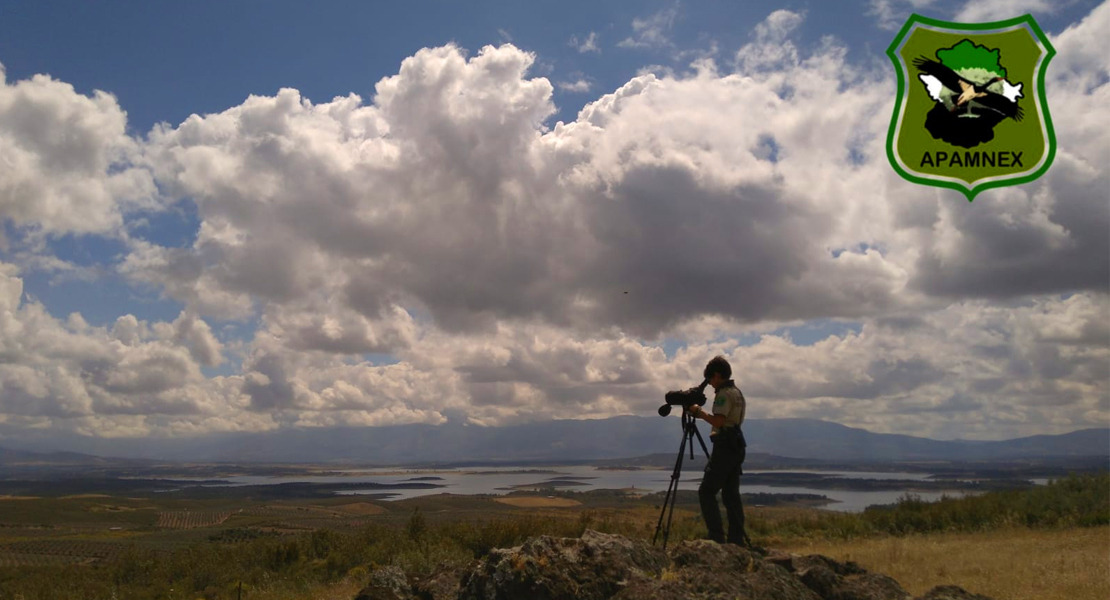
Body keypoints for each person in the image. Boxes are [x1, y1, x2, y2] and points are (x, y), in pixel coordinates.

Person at [685, 355, 750, 546]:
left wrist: (698, 412)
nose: (711, 385)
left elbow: (718, 421)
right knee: (731, 495)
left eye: (711, 380)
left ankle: (716, 538)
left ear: (717, 376)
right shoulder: (737, 392)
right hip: (737, 444)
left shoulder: (724, 394)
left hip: (725, 446)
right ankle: (736, 541)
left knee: (706, 491)